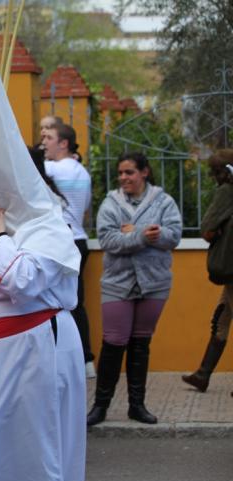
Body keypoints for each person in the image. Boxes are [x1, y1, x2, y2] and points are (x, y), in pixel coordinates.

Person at [0, 54, 85, 481]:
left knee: (35, 449)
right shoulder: (7, 223)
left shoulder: (47, 226)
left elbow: (22, 281)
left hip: (35, 351)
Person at [88, 152, 182, 425]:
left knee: (141, 342)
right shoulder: (110, 203)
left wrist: (135, 231)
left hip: (154, 282)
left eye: (129, 172)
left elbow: (173, 235)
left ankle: (136, 405)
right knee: (114, 341)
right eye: (121, 173)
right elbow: (108, 240)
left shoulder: (164, 202)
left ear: (144, 173)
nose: (123, 178)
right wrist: (144, 235)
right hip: (118, 282)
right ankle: (100, 406)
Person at [42, 123, 95, 377]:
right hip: (79, 239)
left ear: (64, 143)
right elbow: (84, 208)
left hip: (61, 240)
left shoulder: (52, 168)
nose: (44, 143)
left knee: (54, 302)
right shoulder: (82, 172)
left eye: (48, 138)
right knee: (77, 302)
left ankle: (60, 359)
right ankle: (85, 359)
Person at [183, 150, 233, 392]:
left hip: (231, 265)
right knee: (222, 317)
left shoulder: (227, 191)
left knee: (222, 318)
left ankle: (203, 374)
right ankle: (203, 374)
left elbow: (207, 228)